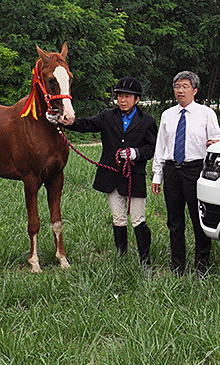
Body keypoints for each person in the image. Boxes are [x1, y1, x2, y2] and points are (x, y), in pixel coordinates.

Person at [64, 76, 157, 265]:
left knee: (138, 218)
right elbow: (86, 125)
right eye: (120, 96)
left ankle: (145, 261)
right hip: (111, 175)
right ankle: (121, 258)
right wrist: (66, 121)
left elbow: (152, 148)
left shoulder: (147, 121)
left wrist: (135, 153)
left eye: (127, 97)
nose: (122, 100)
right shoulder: (107, 116)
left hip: (134, 176)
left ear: (137, 99)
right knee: (118, 218)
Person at [151, 71, 220, 276]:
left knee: (198, 219)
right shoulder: (167, 114)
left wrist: (215, 143)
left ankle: (202, 265)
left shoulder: (206, 113)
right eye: (177, 86)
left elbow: (217, 138)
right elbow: (160, 147)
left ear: (195, 90)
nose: (180, 90)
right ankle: (177, 266)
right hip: (172, 170)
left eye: (184, 86)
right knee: (174, 222)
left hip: (195, 170)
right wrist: (157, 175)